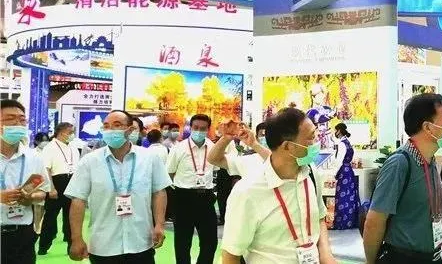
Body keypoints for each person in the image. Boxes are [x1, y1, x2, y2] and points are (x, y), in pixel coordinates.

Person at [221, 108, 337, 264]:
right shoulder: (247, 191)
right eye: (311, 138)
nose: (316, 142)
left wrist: (326, 255)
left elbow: (319, 218)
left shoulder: (310, 174)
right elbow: (231, 254)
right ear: (287, 146)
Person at [66, 109, 170, 263]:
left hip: (141, 242)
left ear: (130, 130)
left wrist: (159, 224)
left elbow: (159, 192)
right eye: (106, 126)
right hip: (104, 245)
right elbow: (78, 200)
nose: (110, 130)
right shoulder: (89, 161)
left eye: (117, 125)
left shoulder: (149, 158)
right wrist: (76, 238)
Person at [363, 93, 442, 264]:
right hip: (403, 257)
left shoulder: (429, 160)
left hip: (432, 255)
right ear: (428, 127)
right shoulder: (399, 163)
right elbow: (374, 222)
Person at [1, 100, 50, 264]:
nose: (18, 123)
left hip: (22, 234)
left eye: (22, 119)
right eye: (10, 118)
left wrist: (30, 197)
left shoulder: (34, 158)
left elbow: (43, 191)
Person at [166, 114, 217, 264]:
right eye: (196, 128)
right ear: (190, 128)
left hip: (206, 198)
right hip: (183, 198)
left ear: (208, 129)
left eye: (203, 128)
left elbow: (216, 168)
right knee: (183, 242)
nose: (199, 131)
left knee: (210, 242)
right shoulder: (179, 148)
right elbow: (169, 172)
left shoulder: (213, 148)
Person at [38, 121, 80, 255]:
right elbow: (46, 169)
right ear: (61, 133)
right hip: (56, 182)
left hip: (71, 181)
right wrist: (51, 188)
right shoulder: (50, 147)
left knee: (71, 216)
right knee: (50, 216)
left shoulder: (73, 147)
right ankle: (43, 246)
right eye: (70, 132)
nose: (72, 135)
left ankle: (71, 245)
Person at [332, 122, 360, 230]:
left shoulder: (341, 144)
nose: (335, 132)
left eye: (336, 130)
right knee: (350, 196)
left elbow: (339, 161)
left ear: (339, 130)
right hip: (349, 171)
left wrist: (334, 174)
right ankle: (350, 221)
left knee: (342, 198)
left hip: (343, 172)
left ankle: (342, 223)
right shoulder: (348, 142)